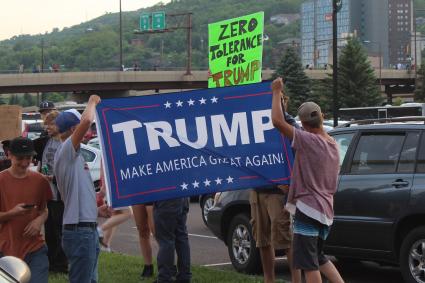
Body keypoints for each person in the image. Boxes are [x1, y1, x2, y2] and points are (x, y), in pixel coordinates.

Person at [271, 77, 344, 283]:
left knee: (308, 263)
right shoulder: (331, 143)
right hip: (326, 211)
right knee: (319, 257)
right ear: (322, 117)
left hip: (309, 209)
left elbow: (277, 122)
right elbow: (289, 122)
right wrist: (282, 106)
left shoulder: (307, 141)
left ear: (303, 124)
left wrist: (276, 91)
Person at [54, 98, 107, 283]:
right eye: (81, 129)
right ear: (72, 130)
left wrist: (97, 211)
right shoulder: (66, 151)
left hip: (86, 230)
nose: (87, 132)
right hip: (80, 233)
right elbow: (86, 121)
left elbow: (78, 197)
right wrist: (92, 100)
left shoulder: (73, 157)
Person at [249, 94, 301, 283]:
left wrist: (289, 183)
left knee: (285, 239)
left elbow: (298, 156)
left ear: (283, 103)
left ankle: (297, 280)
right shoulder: (253, 125)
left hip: (278, 193)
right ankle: (268, 279)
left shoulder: (289, 126)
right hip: (257, 189)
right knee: (262, 240)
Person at [0, 137, 52, 283]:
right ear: (9, 155)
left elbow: (44, 210)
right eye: (20, 158)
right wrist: (12, 213)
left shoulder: (40, 181)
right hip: (6, 250)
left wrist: (38, 221)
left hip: (35, 249)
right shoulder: (1, 181)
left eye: (28, 158)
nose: (24, 163)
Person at [40, 111, 68, 273]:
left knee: (59, 231)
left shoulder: (64, 143)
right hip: (47, 194)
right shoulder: (47, 142)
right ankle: (51, 263)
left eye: (50, 124)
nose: (47, 127)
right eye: (46, 124)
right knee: (49, 231)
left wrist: (54, 178)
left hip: (59, 196)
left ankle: (61, 265)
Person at [153, 198, 191, 283]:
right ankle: (184, 276)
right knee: (181, 236)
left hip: (166, 196)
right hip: (182, 195)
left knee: (166, 239)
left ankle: (164, 278)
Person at [132, 204, 155, 278]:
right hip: (137, 195)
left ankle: (167, 267)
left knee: (157, 231)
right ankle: (148, 266)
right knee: (142, 230)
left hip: (153, 195)